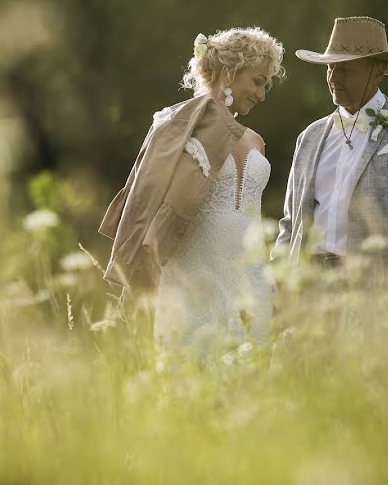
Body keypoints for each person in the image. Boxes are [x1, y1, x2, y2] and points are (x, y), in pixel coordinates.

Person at [99, 27, 285, 355]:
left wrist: (267, 275)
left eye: (266, 85)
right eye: (257, 81)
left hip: (249, 278)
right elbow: (145, 201)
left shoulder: (255, 141)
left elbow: (252, 216)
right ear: (229, 71)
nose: (262, 95)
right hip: (195, 277)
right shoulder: (176, 125)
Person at [273, 16, 388, 278]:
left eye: (345, 69)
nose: (334, 77)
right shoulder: (310, 136)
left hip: (377, 285)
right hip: (308, 283)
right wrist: (279, 278)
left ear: (377, 71)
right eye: (330, 68)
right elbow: (290, 222)